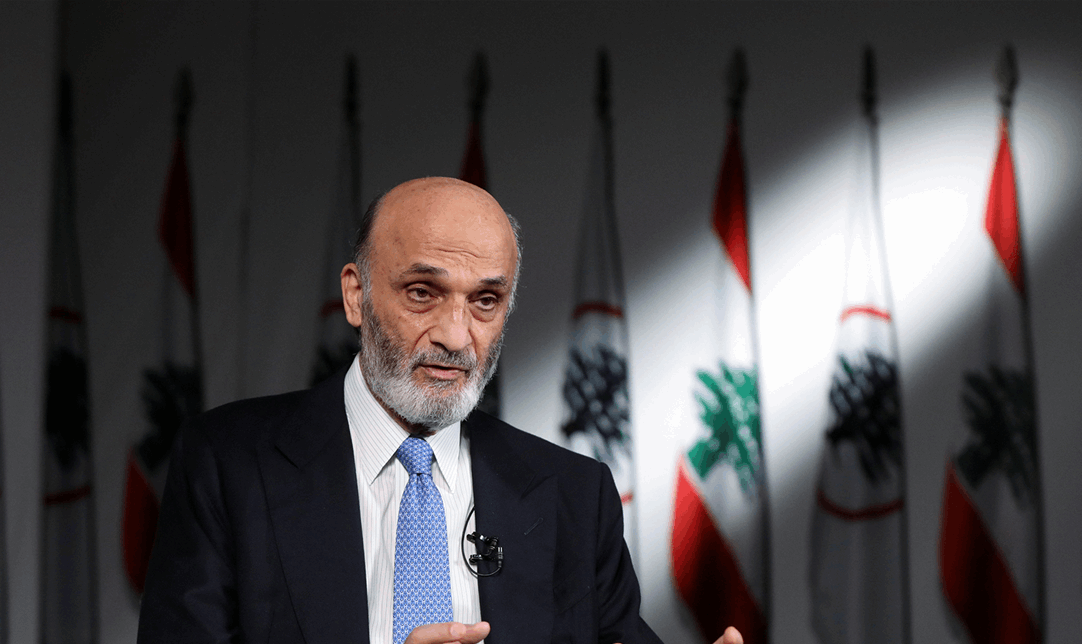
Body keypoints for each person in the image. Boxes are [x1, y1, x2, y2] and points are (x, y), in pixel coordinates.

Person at [137, 177, 744, 644]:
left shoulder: (574, 496)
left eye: (485, 301)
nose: (456, 336)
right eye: (423, 293)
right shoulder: (228, 464)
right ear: (356, 295)